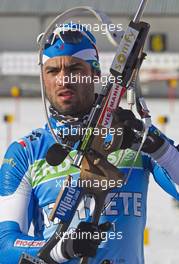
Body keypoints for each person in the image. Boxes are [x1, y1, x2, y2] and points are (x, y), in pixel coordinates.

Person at [0, 23, 179, 264]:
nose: (63, 79)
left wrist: (156, 147)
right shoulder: (27, 152)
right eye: (52, 71)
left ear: (95, 73)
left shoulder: (133, 133)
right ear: (43, 77)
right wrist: (63, 248)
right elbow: (5, 245)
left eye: (75, 68)